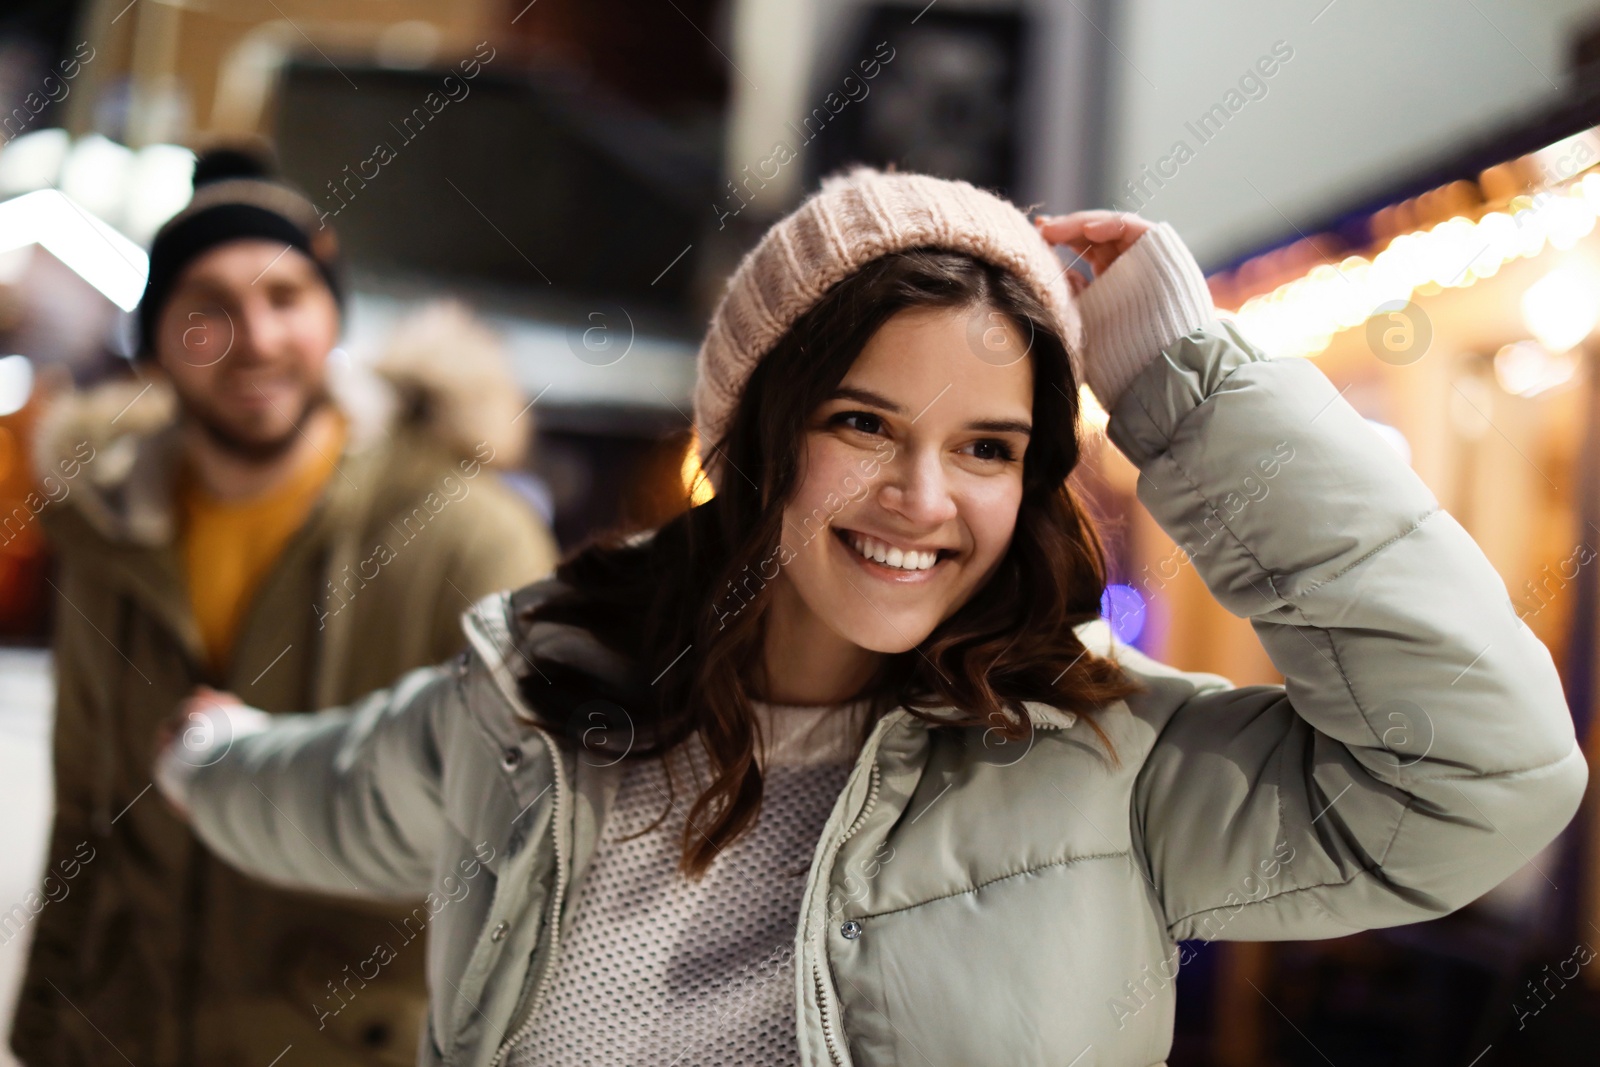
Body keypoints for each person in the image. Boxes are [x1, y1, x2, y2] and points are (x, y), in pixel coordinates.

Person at [152, 167, 1586, 1067]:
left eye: (985, 446)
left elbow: (1486, 771)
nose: (920, 496)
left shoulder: (1111, 763)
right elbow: (330, 790)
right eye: (863, 421)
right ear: (761, 435)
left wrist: (1185, 383)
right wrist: (206, 756)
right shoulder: (537, 692)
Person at [13, 149, 560, 1067]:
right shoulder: (109, 527)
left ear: (332, 320)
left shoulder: (467, 537)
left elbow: (527, 845)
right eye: (209, 309)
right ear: (154, 345)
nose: (254, 339)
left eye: (286, 298)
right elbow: (85, 809)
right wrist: (43, 1026)